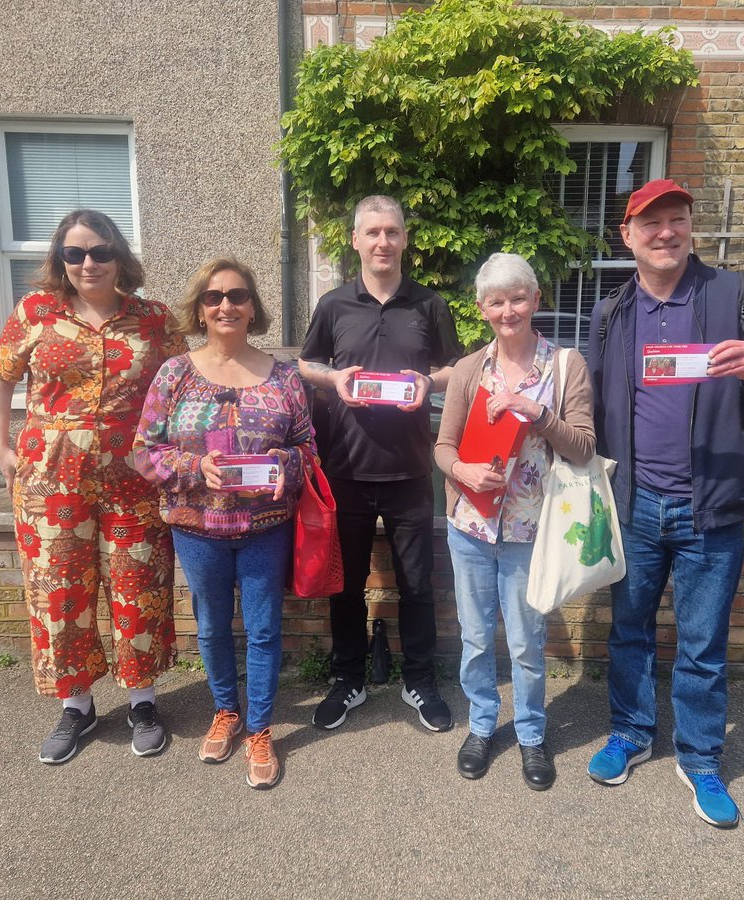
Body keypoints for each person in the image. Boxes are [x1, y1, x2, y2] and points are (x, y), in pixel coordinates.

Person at [585, 179, 744, 826]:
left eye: (677, 219)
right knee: (628, 632)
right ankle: (630, 732)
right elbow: (592, 407)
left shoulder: (736, 298)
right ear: (627, 236)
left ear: (690, 228)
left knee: (703, 642)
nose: (665, 233)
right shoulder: (611, 315)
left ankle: (701, 758)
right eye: (650, 224)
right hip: (637, 506)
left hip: (712, 508)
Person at [0, 209, 186, 765]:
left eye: (99, 251)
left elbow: (184, 385)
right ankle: (77, 706)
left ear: (119, 255)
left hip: (133, 481)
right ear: (60, 260)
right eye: (76, 253)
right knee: (60, 592)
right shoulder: (35, 313)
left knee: (137, 583)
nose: (88, 262)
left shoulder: (154, 320)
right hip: (51, 482)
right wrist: (2, 450)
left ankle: (143, 700)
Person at [133, 258, 315, 790]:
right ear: (201, 308)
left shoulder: (284, 374)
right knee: (211, 626)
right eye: (214, 297)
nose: (225, 305)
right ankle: (225, 711)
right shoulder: (175, 372)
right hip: (197, 527)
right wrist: (195, 468)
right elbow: (144, 453)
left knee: (262, 631)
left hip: (266, 528)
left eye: (237, 295)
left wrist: (286, 465)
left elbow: (309, 448)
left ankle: (259, 728)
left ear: (252, 306)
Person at [299, 195, 463, 733]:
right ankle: (348, 679)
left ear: (404, 239)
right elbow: (306, 363)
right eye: (372, 233)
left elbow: (455, 369)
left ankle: (420, 680)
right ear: (355, 241)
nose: (382, 242)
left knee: (417, 583)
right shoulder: (333, 305)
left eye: (391, 232)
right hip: (344, 467)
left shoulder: (428, 305)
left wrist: (425, 382)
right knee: (344, 585)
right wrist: (334, 380)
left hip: (411, 469)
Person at [434, 253, 595, 790]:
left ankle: (530, 734)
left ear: (536, 300)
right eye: (497, 301)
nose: (509, 310)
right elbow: (443, 446)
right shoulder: (467, 370)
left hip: (532, 531)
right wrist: (461, 470)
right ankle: (482, 725)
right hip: (470, 527)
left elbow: (584, 447)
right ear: (483, 308)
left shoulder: (565, 366)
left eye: (518, 297)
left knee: (527, 642)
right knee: (476, 638)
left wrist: (536, 413)